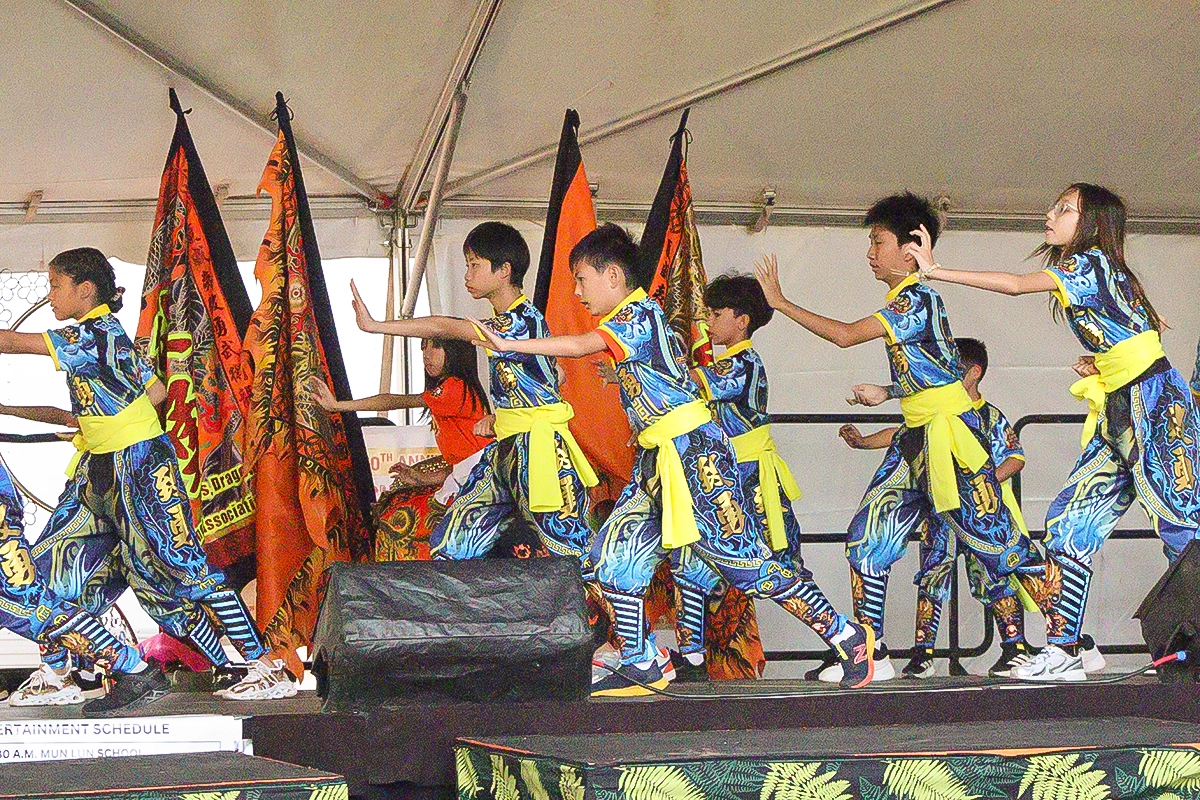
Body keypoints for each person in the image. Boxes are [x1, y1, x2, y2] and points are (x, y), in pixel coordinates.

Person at [472, 224, 875, 696]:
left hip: (694, 458)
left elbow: (581, 345)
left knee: (746, 566)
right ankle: (642, 662)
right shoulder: (634, 322)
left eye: (582, 279)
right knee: (611, 558)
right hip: (658, 461)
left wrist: (513, 344)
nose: (577, 291)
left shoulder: (637, 313)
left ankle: (847, 638)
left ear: (614, 275)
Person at [909, 183, 1199, 681]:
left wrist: (937, 271)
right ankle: (1065, 650)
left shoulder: (1088, 264)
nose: (1050, 214)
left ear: (1090, 224)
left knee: (1182, 525)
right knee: (1068, 526)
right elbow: (1138, 327)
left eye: (1063, 209)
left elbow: (1018, 285)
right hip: (1121, 403)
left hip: (1153, 405)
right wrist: (1107, 363)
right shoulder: (1098, 269)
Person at [756, 193, 1034, 683]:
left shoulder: (915, 298)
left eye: (877, 242)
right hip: (917, 438)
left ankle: (1066, 642)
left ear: (911, 248)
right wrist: (884, 391)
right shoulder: (905, 302)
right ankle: (870, 650)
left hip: (949, 439)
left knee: (1000, 547)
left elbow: (844, 335)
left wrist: (780, 303)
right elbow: (928, 375)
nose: (870, 253)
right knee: (867, 539)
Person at [2, 247, 292, 710]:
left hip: (137, 466)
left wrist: (127, 437)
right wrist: (107, 420)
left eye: (55, 286)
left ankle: (263, 665)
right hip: (101, 469)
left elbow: (13, 343)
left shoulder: (95, 333)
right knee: (52, 566)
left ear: (85, 289)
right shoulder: (113, 342)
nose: (51, 296)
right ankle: (57, 673)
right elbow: (155, 391)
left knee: (179, 566)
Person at [838, 338, 1097, 679]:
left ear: (973, 373)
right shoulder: (933, 410)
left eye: (951, 368)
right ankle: (910, 653)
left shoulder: (986, 416)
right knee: (926, 573)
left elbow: (1014, 456)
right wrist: (863, 441)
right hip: (938, 511)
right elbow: (902, 433)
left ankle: (1043, 645)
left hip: (975, 506)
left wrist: (982, 483)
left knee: (1001, 568)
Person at [349, 222, 596, 569]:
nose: (467, 274)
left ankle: (599, 620)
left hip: (542, 453)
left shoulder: (518, 322)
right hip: (507, 449)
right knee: (454, 541)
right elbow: (549, 378)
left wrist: (378, 326)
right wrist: (501, 416)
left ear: (504, 271)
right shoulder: (508, 322)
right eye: (466, 265)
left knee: (570, 553)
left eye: (475, 265)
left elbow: (444, 327)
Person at [655, 274, 806, 682]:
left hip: (752, 482)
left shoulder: (741, 364)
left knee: (782, 569)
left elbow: (689, 385)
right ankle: (692, 657)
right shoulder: (731, 362)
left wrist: (637, 373)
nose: (706, 321)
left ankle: (847, 641)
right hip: (726, 482)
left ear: (741, 320)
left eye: (715, 314)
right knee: (689, 562)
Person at [314, 338, 495, 559]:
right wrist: (422, 478)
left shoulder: (455, 387)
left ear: (456, 352)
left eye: (436, 346)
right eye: (423, 347)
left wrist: (339, 406)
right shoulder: (447, 392)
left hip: (482, 483)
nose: (426, 354)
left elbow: (393, 402)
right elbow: (460, 465)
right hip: (468, 479)